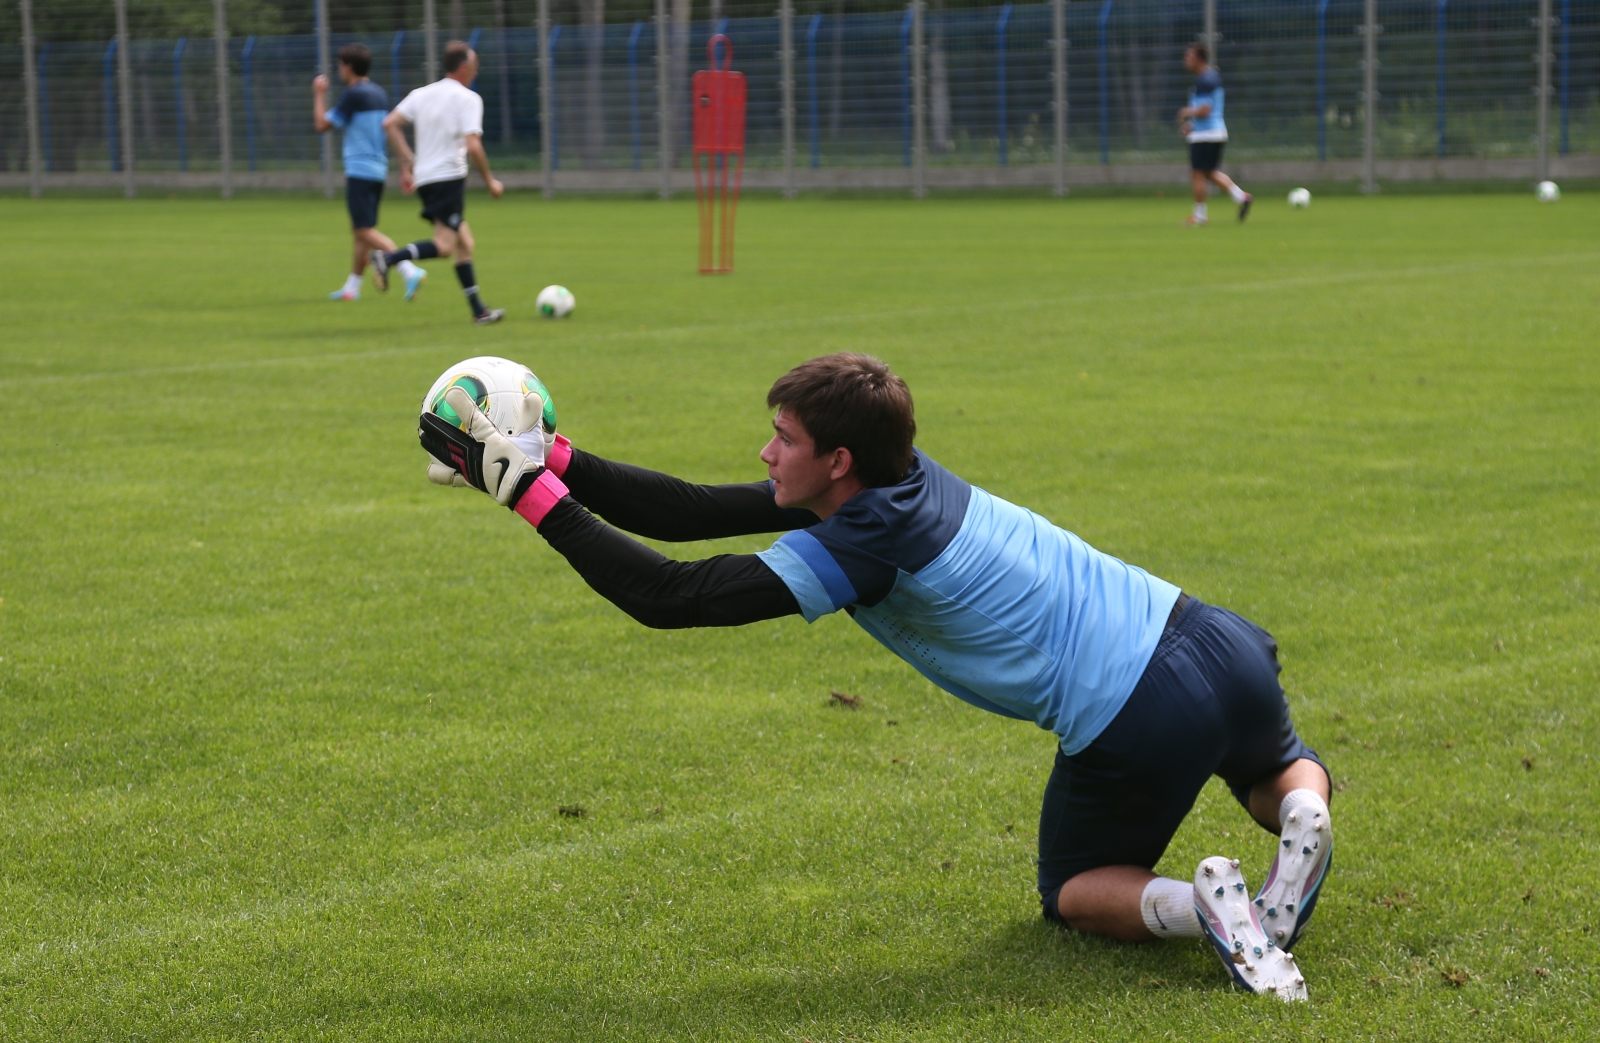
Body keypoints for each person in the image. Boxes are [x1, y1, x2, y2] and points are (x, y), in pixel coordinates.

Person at [417, 353, 1333, 1002]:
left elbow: (668, 594)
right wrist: (557, 458)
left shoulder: (865, 543)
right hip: (1217, 639)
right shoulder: (900, 478)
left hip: (1136, 711)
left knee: (1074, 887)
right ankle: (1303, 814)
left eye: (782, 438)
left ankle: (1203, 907)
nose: (767, 453)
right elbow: (694, 511)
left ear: (838, 460)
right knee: (1274, 765)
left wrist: (525, 493)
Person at [370, 40, 505, 324]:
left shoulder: (422, 94)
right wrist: (490, 181)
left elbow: (390, 123)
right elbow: (473, 146)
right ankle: (389, 259)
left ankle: (479, 311)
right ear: (464, 67)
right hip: (448, 178)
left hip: (426, 179)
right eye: (475, 66)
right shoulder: (467, 98)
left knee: (465, 242)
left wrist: (408, 161)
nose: (477, 72)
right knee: (444, 247)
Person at [311, 43, 422, 301]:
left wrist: (318, 94)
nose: (339, 70)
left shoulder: (353, 95)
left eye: (340, 65)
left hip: (360, 171)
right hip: (378, 171)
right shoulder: (380, 94)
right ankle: (352, 288)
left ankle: (408, 269)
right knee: (361, 230)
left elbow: (322, 125)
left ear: (348, 67)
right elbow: (392, 131)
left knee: (363, 231)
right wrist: (403, 169)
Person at [1176, 44, 1252, 226]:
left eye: (1189, 56)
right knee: (1209, 172)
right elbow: (1209, 110)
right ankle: (1241, 197)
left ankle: (1200, 216)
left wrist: (1187, 112)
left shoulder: (1205, 80)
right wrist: (1192, 125)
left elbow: (1205, 110)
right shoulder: (1209, 78)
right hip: (1213, 132)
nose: (1185, 59)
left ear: (1199, 59)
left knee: (1197, 174)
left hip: (1206, 134)